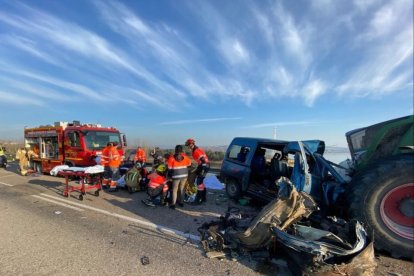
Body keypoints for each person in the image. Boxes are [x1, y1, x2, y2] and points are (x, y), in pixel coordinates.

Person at [185, 138, 210, 204]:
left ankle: (198, 200)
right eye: (188, 145)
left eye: (189, 145)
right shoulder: (197, 149)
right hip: (203, 166)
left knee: (199, 182)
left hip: (204, 166)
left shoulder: (196, 151)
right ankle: (203, 198)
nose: (188, 146)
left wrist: (202, 169)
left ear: (192, 144)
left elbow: (203, 160)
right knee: (201, 183)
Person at [167, 145, 191, 209]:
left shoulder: (171, 158)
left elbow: (169, 169)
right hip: (185, 175)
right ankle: (181, 203)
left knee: (175, 190)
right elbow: (189, 165)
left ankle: (173, 204)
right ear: (181, 150)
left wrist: (169, 176)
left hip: (176, 175)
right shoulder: (186, 157)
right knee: (182, 189)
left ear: (175, 150)